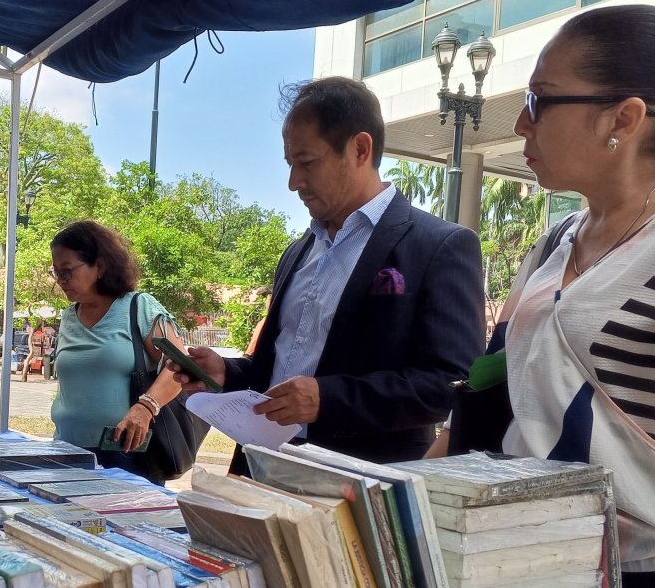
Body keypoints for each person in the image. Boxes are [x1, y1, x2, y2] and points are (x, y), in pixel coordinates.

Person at [433, 5, 655, 584]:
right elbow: (493, 390)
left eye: (539, 101)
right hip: (542, 552)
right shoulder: (558, 239)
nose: (521, 126)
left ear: (623, 118)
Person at [172, 76, 486, 471]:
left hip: (357, 485)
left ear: (360, 149)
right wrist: (228, 372)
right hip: (259, 467)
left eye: (306, 163)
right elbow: (281, 367)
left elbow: (449, 384)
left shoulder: (438, 245)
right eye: (290, 164)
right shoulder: (299, 250)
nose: (293, 183)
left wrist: (328, 398)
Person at [48, 220, 189, 485]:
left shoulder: (139, 307)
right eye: (56, 272)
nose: (60, 281)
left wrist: (146, 407)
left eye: (67, 271)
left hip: (128, 459)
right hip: (66, 454)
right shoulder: (67, 317)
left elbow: (178, 367)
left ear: (99, 266)